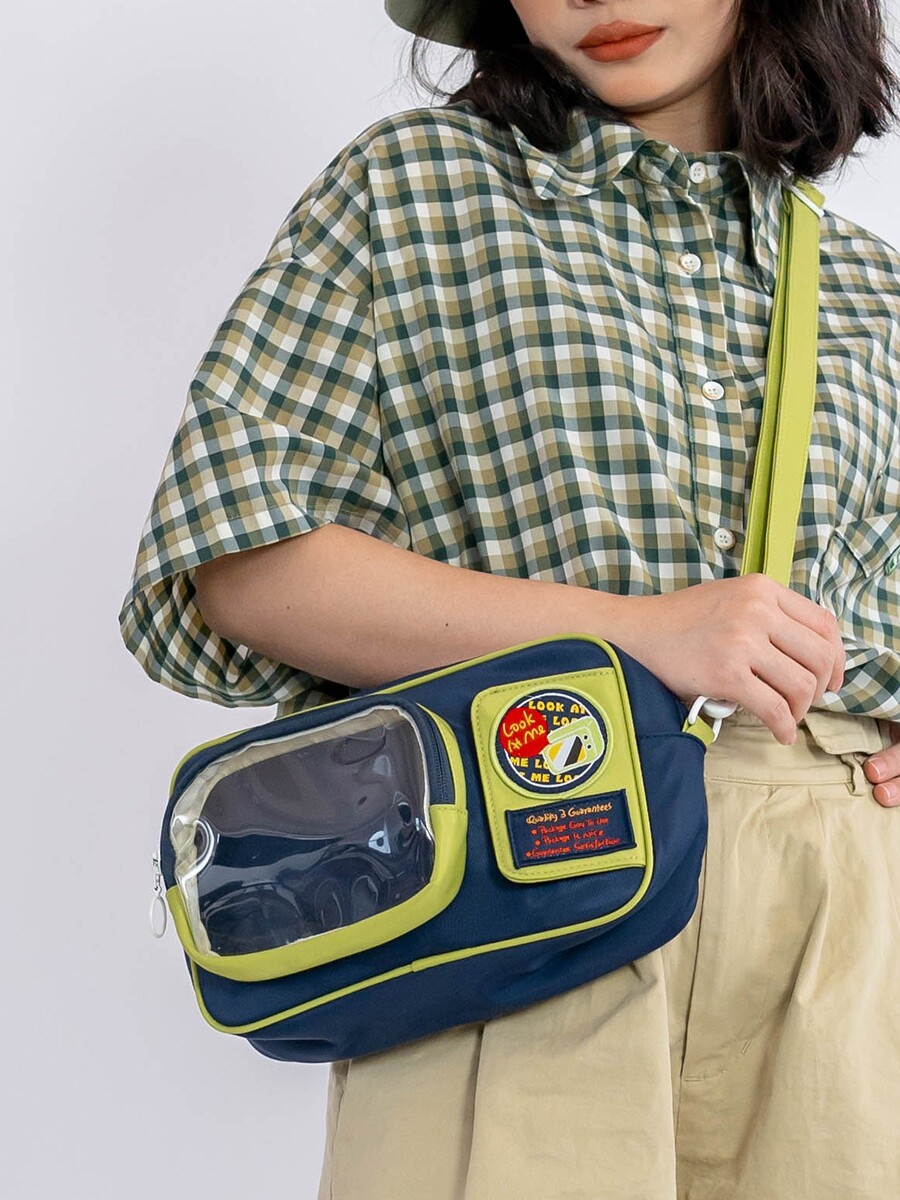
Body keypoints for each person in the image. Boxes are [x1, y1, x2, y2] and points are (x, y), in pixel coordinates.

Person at [118, 0, 900, 1196]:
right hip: (525, 884)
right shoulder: (414, 192)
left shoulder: (868, 287)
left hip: (836, 932)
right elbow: (245, 561)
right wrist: (642, 633)